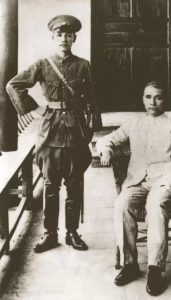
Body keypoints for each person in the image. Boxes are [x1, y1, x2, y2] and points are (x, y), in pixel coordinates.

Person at [96, 81, 171, 296]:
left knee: (156, 206)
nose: (152, 102)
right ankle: (130, 264)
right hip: (137, 181)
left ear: (165, 100)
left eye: (158, 97)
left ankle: (155, 269)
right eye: (148, 97)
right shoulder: (134, 123)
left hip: (164, 182)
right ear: (143, 99)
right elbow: (106, 139)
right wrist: (106, 150)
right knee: (121, 204)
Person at [6, 15, 101, 253]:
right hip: (50, 133)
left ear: (74, 38)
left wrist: (91, 131)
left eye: (68, 35)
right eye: (59, 35)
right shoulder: (43, 64)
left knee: (75, 184)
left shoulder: (83, 65)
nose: (63, 39)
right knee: (50, 186)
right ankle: (50, 234)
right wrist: (34, 108)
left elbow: (92, 99)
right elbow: (13, 85)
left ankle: (72, 233)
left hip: (77, 131)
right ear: (52, 37)